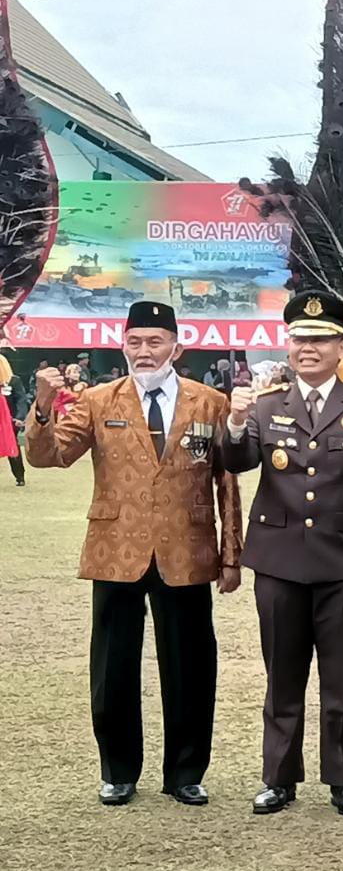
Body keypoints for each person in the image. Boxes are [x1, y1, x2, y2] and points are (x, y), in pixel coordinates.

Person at [25, 301, 243, 807]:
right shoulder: (98, 399)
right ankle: (118, 770)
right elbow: (49, 456)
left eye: (155, 342)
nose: (144, 351)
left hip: (186, 549)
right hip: (116, 548)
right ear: (123, 345)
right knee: (113, 664)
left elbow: (226, 481)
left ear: (176, 347)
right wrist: (42, 407)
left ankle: (186, 773)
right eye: (135, 342)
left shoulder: (210, 402)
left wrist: (231, 554)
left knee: (191, 665)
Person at [222, 293, 343, 819]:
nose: (309, 348)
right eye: (300, 338)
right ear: (288, 344)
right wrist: (234, 423)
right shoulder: (264, 406)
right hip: (279, 560)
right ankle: (278, 779)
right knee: (282, 676)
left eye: (321, 339)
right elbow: (238, 460)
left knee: (342, 678)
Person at [0, 354, 25, 486]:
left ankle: (19, 476)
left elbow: (21, 400)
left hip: (10, 421)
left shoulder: (14, 381)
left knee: (12, 447)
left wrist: (20, 417)